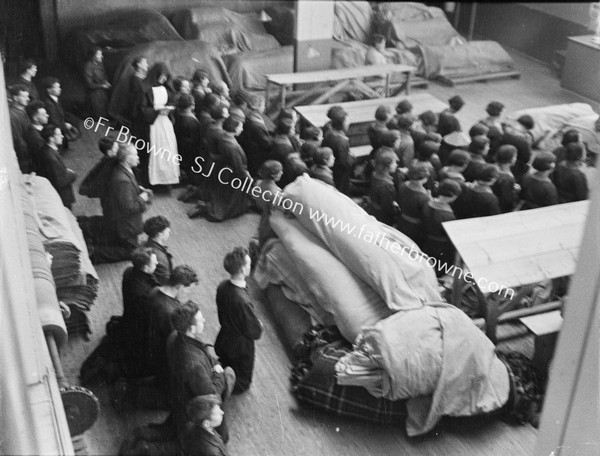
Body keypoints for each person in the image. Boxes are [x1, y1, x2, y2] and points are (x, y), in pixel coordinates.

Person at [168, 303, 236, 446]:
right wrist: (220, 374)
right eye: (201, 319)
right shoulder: (194, 365)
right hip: (199, 405)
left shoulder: (179, 336)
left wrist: (215, 364)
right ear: (191, 328)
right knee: (221, 439)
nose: (204, 320)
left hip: (194, 386)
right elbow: (212, 394)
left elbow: (204, 352)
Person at [214, 247, 263, 394]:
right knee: (243, 382)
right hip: (240, 346)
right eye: (248, 263)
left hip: (225, 338)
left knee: (226, 363)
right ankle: (220, 386)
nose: (250, 265)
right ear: (242, 269)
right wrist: (259, 324)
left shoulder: (223, 286)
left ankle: (219, 375)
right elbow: (255, 331)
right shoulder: (243, 301)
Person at [91, 144, 150, 264]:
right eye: (136, 155)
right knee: (131, 252)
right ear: (128, 159)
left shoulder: (122, 170)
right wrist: (142, 198)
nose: (138, 157)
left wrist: (135, 189)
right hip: (125, 225)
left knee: (131, 246)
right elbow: (129, 208)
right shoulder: (123, 181)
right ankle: (94, 253)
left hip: (120, 222)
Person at [145, 265, 199, 390]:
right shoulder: (172, 311)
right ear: (179, 287)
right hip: (159, 354)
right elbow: (175, 340)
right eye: (189, 289)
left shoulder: (155, 290)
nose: (189, 294)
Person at [142, 62, 180, 186]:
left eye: (166, 76)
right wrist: (156, 111)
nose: (164, 79)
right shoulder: (146, 89)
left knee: (168, 148)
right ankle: (155, 179)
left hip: (165, 123)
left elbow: (172, 102)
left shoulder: (167, 88)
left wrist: (169, 109)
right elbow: (142, 109)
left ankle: (168, 179)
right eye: (161, 76)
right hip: (153, 124)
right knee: (156, 149)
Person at [422, 179, 462, 275]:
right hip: (441, 245)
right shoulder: (448, 215)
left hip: (427, 240)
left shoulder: (427, 203)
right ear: (452, 196)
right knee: (440, 267)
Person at [37, 125, 77, 209]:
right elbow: (60, 181)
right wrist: (72, 175)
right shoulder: (51, 158)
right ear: (51, 139)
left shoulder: (46, 150)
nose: (62, 136)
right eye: (59, 135)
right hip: (61, 197)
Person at [397, 164, 431, 248]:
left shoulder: (403, 184)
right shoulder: (424, 197)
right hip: (415, 227)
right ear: (425, 179)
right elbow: (426, 215)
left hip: (402, 220)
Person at [321, 106, 353, 195]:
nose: (349, 122)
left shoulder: (328, 130)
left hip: (331, 166)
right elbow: (345, 162)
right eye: (347, 120)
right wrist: (351, 158)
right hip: (340, 172)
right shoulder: (342, 140)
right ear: (342, 123)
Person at [239, 94, 271, 177]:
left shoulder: (250, 114)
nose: (264, 107)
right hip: (256, 154)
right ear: (258, 106)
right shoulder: (256, 125)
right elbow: (265, 143)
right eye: (263, 105)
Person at [253, 160, 283, 248]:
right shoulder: (277, 193)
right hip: (271, 219)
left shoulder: (258, 183)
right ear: (274, 175)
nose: (282, 173)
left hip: (264, 213)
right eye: (280, 171)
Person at [40, 77, 76, 150]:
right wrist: (64, 125)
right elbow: (53, 120)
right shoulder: (49, 104)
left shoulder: (55, 99)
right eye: (57, 87)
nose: (60, 89)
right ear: (49, 90)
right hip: (55, 129)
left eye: (59, 87)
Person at [173, 93, 201, 182]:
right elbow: (196, 138)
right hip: (190, 148)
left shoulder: (178, 114)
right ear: (191, 105)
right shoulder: (191, 120)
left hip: (180, 144)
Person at [367, 147, 398, 226]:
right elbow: (387, 208)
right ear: (387, 166)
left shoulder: (375, 173)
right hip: (382, 217)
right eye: (394, 163)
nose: (396, 165)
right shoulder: (386, 186)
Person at [142, 216, 173, 285]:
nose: (169, 233)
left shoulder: (144, 244)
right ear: (159, 235)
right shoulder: (160, 258)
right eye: (167, 231)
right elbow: (166, 280)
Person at [8, 85, 32, 173]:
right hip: (24, 158)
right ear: (15, 98)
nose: (28, 99)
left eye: (28, 96)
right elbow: (18, 140)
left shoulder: (22, 110)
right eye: (24, 96)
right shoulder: (13, 116)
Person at [83, 47, 111, 118]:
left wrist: (106, 81)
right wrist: (102, 86)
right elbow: (89, 84)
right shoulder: (88, 66)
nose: (102, 56)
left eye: (101, 54)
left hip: (102, 92)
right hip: (94, 94)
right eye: (99, 55)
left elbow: (104, 75)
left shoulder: (100, 64)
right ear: (93, 56)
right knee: (98, 115)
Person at [491, 145, 519, 213]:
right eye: (515, 156)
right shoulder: (507, 179)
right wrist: (515, 191)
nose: (516, 158)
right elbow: (507, 199)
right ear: (510, 159)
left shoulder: (493, 166)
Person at [24, 100, 49, 171]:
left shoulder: (40, 129)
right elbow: (43, 158)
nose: (47, 115)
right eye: (44, 115)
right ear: (35, 118)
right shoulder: (35, 138)